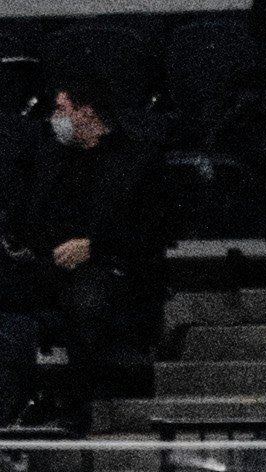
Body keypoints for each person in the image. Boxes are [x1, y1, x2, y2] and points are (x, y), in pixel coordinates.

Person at [0, 76, 163, 405]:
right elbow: (27, 216)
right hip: (46, 262)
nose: (54, 119)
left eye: (61, 109)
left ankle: (86, 404)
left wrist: (93, 247)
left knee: (85, 299)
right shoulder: (50, 157)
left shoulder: (135, 160)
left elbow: (149, 232)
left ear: (86, 113)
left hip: (106, 264)